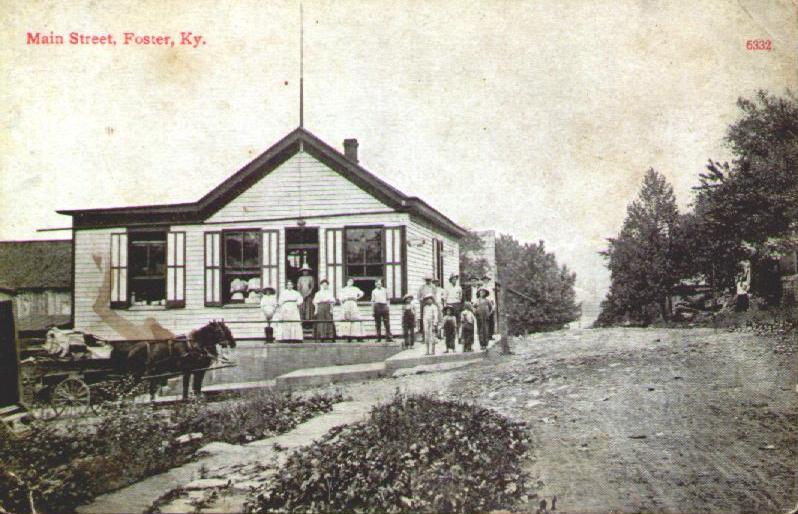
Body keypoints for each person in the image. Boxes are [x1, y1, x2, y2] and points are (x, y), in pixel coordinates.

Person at [444, 274, 463, 339]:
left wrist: (458, 304)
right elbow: (445, 297)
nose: (454, 280)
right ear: (451, 280)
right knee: (450, 320)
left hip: (457, 304)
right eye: (453, 279)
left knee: (458, 320)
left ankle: (459, 335)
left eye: (455, 279)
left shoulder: (459, 288)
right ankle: (450, 335)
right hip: (450, 304)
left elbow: (460, 297)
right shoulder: (447, 287)